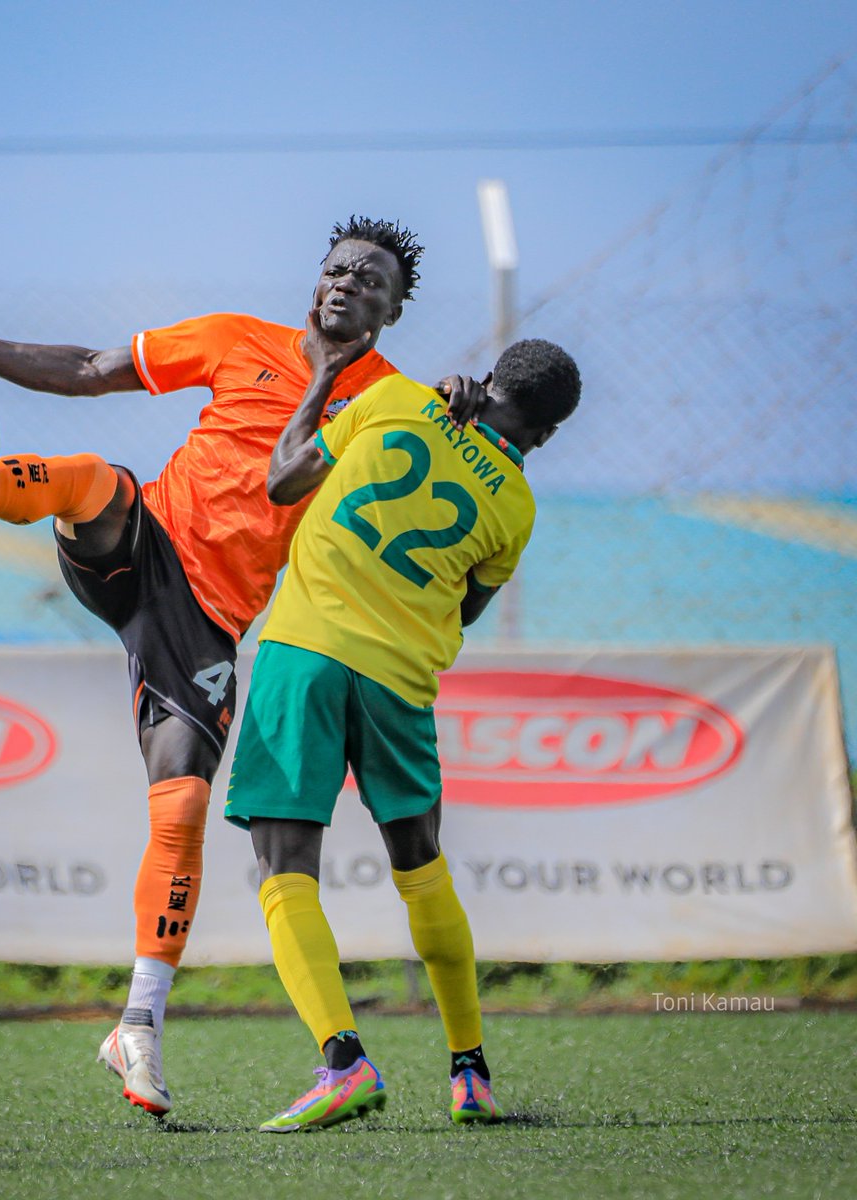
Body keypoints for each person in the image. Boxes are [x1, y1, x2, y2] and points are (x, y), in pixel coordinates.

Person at [0, 217, 474, 1118]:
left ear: (396, 305)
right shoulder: (239, 340)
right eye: (336, 268)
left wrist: (469, 401)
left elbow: (455, 458)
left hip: (206, 627)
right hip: (143, 540)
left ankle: (138, 1028)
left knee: (185, 803)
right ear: (315, 284)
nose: (348, 282)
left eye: (370, 278)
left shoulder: (395, 403)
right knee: (97, 482)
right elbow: (88, 371)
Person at [224, 319, 581, 1132]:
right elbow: (465, 606)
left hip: (305, 653)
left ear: (485, 380)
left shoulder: (391, 400)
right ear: (547, 432)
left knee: (285, 865)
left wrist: (320, 381)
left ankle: (343, 1064)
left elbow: (283, 482)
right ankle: (470, 1072)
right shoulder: (518, 509)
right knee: (421, 867)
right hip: (400, 679)